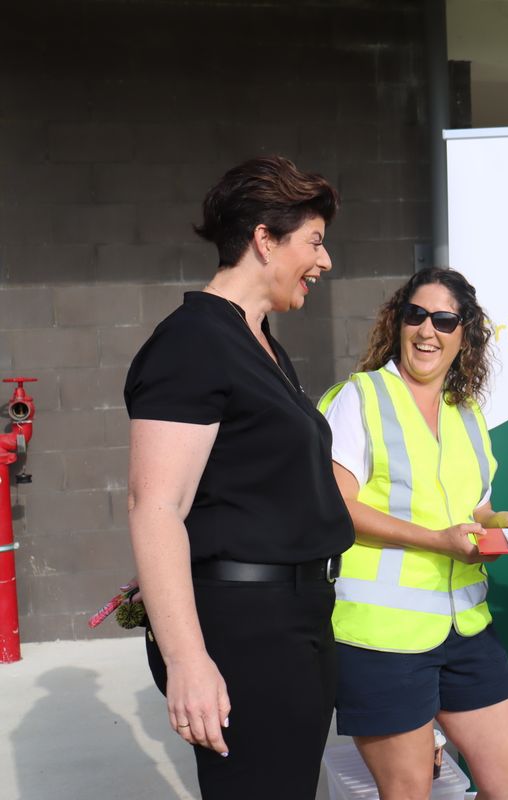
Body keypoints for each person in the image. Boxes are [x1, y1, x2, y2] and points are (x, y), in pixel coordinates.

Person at [124, 156, 355, 798]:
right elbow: (155, 506)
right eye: (314, 241)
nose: (325, 260)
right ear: (264, 239)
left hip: (296, 617)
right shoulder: (193, 342)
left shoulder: (259, 339)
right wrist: (187, 661)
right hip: (247, 629)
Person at [319, 267, 508, 800]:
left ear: (464, 334)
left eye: (444, 320)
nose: (427, 330)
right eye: (416, 315)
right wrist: (437, 541)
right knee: (408, 790)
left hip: (465, 627)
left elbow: (476, 510)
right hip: (381, 634)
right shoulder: (360, 398)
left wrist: (505, 523)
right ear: (398, 322)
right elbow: (335, 508)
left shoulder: (465, 412)